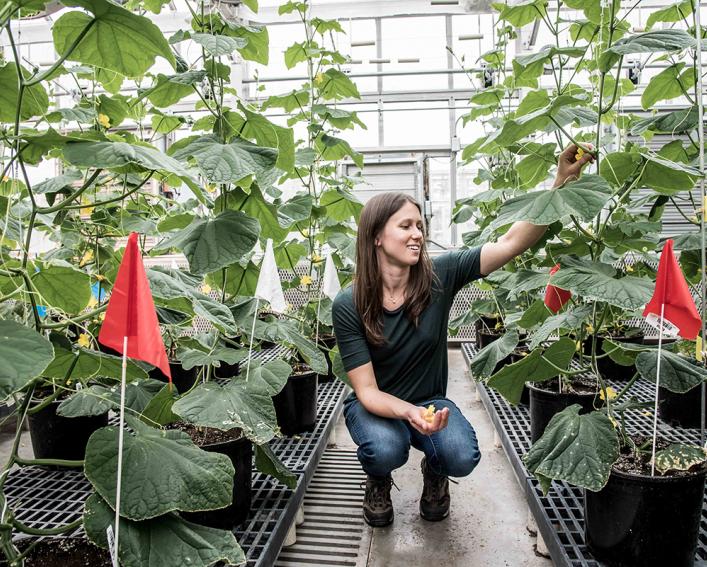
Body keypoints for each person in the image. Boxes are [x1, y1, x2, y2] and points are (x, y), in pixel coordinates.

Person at [331, 144, 594, 527]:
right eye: (405, 226)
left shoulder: (441, 275)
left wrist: (559, 182)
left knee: (460, 455)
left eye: (420, 225)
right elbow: (367, 392)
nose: (417, 234)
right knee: (386, 448)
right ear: (376, 236)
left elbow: (511, 243)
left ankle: (435, 473)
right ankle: (378, 479)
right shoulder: (349, 303)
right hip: (377, 408)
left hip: (431, 401)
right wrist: (409, 413)